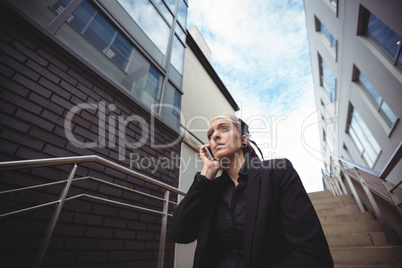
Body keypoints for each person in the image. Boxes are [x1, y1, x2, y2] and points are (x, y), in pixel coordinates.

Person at [171, 114, 334, 268]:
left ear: (243, 140)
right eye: (210, 134)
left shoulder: (277, 173)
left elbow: (314, 255)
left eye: (224, 128)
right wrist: (206, 174)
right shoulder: (209, 189)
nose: (215, 136)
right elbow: (179, 233)